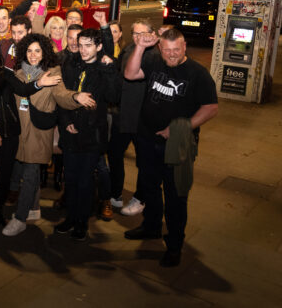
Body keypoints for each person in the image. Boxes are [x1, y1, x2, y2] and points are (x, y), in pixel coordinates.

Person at [124, 28, 218, 267]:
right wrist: (141, 47)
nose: (172, 55)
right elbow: (131, 73)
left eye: (177, 50)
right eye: (167, 51)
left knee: (176, 196)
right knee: (149, 186)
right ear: (160, 49)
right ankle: (151, 227)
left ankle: (174, 245)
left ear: (184, 47)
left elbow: (210, 108)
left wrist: (181, 127)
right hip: (147, 139)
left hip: (178, 144)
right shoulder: (154, 61)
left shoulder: (198, 74)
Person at [1, 34, 92, 237]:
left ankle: (20, 219)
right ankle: (30, 208)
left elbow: (61, 94)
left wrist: (75, 96)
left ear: (45, 53)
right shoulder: (17, 72)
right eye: (29, 51)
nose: (33, 55)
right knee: (17, 171)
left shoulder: (53, 72)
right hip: (17, 132)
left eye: (38, 51)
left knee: (31, 174)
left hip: (37, 132)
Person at [55, 28, 121, 241]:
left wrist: (110, 71)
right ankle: (71, 218)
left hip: (92, 135)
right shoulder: (71, 64)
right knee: (71, 179)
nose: (82, 49)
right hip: (70, 132)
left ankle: (82, 222)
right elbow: (62, 95)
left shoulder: (104, 68)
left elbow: (113, 96)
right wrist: (66, 122)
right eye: (80, 44)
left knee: (85, 181)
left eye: (87, 45)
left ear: (99, 47)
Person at [0, 51, 47, 226]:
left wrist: (39, 83)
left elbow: (23, 89)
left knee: (5, 174)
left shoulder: (7, 77)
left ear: (0, 67)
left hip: (9, 133)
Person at [111, 19, 155, 217]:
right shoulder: (129, 49)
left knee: (144, 162)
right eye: (135, 33)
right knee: (114, 154)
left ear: (152, 34)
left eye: (143, 33)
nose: (139, 37)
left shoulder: (156, 54)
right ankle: (115, 193)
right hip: (124, 114)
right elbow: (121, 77)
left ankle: (141, 198)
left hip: (144, 119)